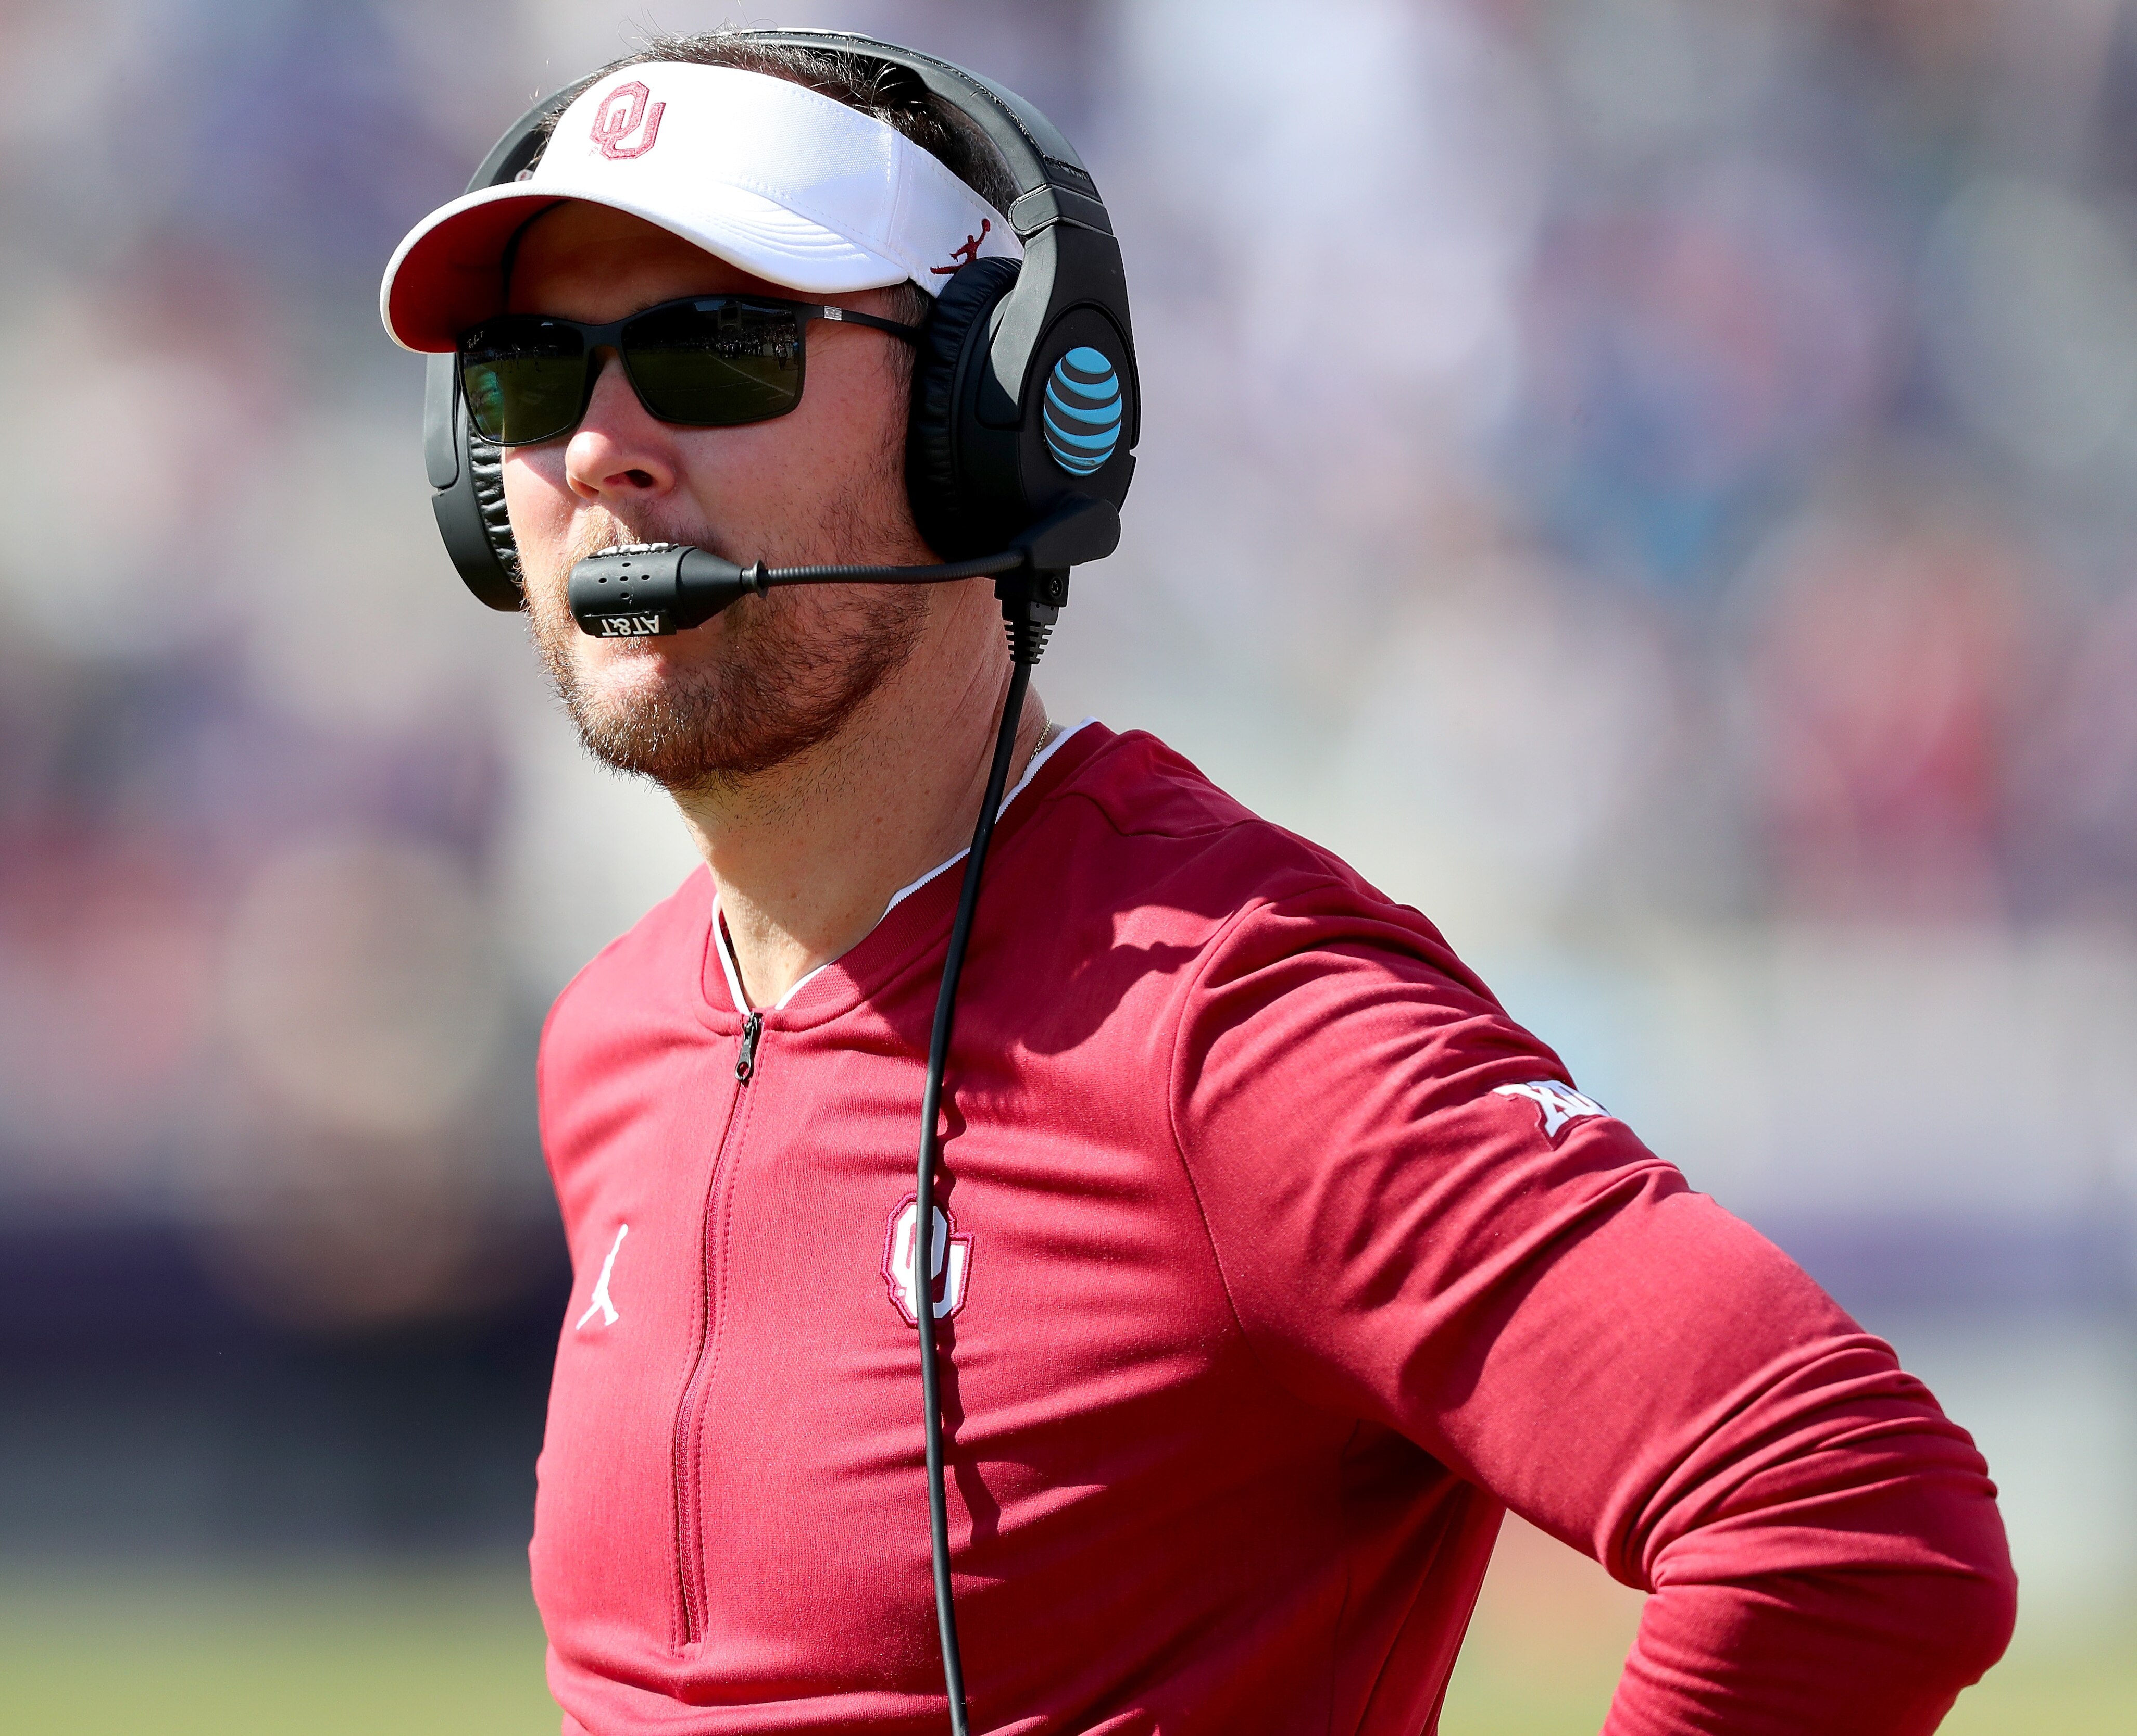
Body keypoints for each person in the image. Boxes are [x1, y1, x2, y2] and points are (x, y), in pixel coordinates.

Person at [379, 31, 2015, 1736]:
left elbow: (1850, 1514)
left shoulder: (1234, 1026)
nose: (601, 450)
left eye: (715, 353)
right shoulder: (610, 1041)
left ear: (985, 420)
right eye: (525, 374)